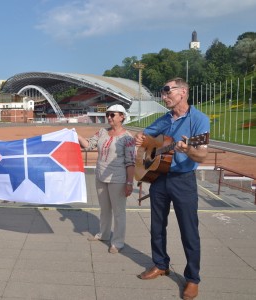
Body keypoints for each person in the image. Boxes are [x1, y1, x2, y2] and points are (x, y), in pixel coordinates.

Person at [134, 78, 209, 300]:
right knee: (157, 226)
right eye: (162, 91)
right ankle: (160, 264)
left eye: (167, 90)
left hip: (183, 180)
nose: (164, 95)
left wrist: (187, 150)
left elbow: (202, 154)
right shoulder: (165, 119)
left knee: (189, 230)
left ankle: (192, 279)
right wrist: (141, 138)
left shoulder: (198, 119)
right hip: (159, 178)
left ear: (183, 92)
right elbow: (146, 136)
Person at [78, 104, 135, 254]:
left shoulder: (127, 138)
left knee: (118, 212)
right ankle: (103, 234)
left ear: (122, 117)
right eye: (107, 115)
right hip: (101, 176)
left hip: (118, 179)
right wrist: (75, 136)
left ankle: (117, 242)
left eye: (112, 115)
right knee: (104, 209)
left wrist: (129, 183)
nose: (109, 117)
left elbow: (130, 162)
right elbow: (89, 145)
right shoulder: (102, 132)